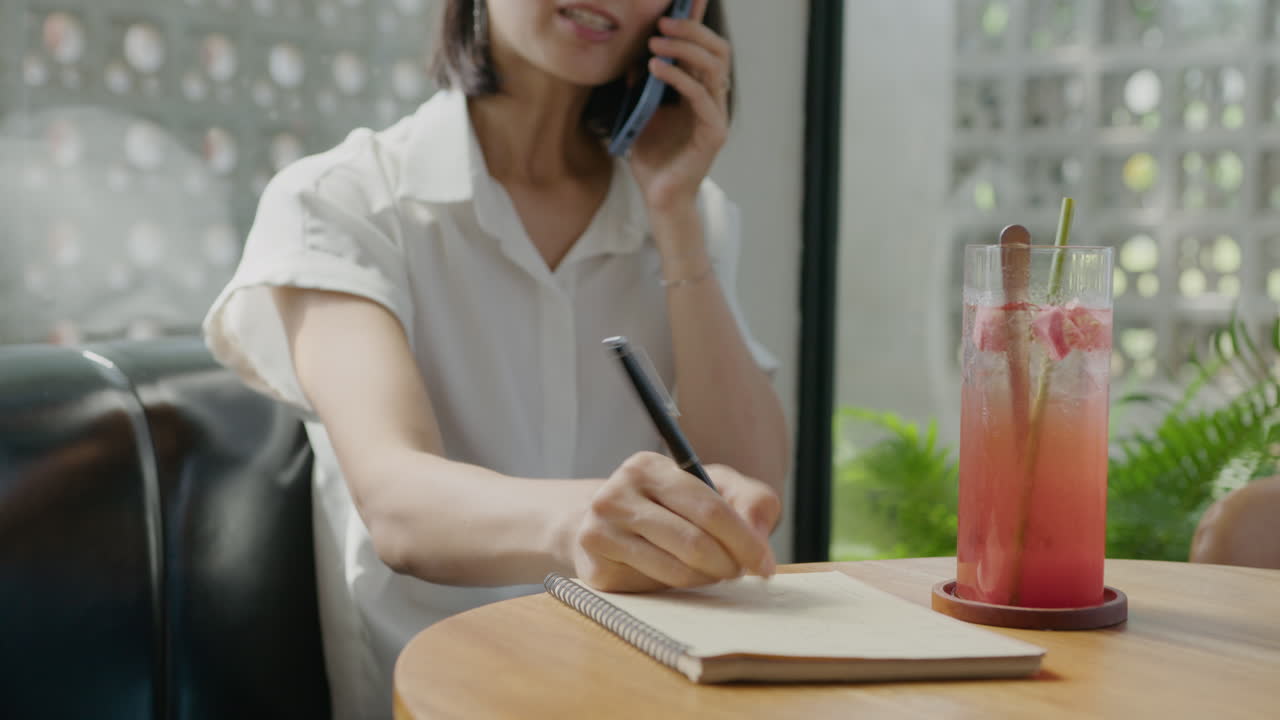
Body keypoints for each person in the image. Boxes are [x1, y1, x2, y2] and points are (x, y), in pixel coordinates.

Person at [203, 0, 788, 717]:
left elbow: (751, 483)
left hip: (646, 691)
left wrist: (675, 215)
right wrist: (581, 522)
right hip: (446, 694)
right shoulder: (343, 203)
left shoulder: (692, 213)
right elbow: (398, 501)